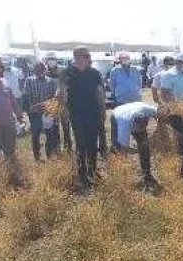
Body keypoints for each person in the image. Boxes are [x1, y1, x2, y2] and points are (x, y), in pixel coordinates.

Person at [66, 46, 106, 189]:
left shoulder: (94, 73)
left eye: (85, 57)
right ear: (76, 58)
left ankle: (93, 170)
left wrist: (103, 112)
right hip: (76, 114)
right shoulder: (68, 73)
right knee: (81, 144)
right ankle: (82, 173)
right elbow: (61, 91)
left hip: (93, 113)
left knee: (92, 144)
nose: (83, 59)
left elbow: (100, 93)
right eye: (80, 57)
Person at [112, 102, 160, 191]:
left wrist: (158, 129)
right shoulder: (125, 124)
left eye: (144, 127)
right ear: (134, 125)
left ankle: (146, 172)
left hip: (134, 107)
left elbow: (159, 114)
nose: (142, 130)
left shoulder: (148, 110)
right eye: (140, 128)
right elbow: (124, 150)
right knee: (117, 149)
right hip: (117, 114)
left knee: (144, 145)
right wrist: (135, 151)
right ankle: (119, 176)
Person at [23, 62, 60, 161]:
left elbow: (54, 98)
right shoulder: (29, 80)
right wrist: (32, 108)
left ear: (45, 69)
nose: (39, 70)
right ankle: (37, 157)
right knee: (35, 134)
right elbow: (26, 96)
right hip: (34, 112)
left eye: (41, 68)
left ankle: (49, 155)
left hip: (48, 113)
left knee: (50, 135)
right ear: (34, 70)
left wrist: (52, 111)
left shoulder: (51, 81)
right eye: (37, 68)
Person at [109, 52, 143, 152]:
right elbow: (112, 84)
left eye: (126, 58)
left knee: (133, 122)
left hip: (134, 100)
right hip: (121, 100)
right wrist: (115, 94)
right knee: (120, 122)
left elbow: (139, 82)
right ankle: (116, 145)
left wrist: (137, 92)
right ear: (119, 60)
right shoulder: (115, 70)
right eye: (123, 58)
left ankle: (129, 144)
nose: (125, 60)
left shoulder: (135, 69)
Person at [46, 53, 73, 152]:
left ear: (56, 60)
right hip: (51, 102)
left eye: (53, 59)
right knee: (54, 125)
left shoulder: (62, 70)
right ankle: (57, 146)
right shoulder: (46, 72)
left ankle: (68, 144)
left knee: (65, 124)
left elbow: (68, 83)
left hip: (63, 101)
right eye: (49, 59)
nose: (51, 61)